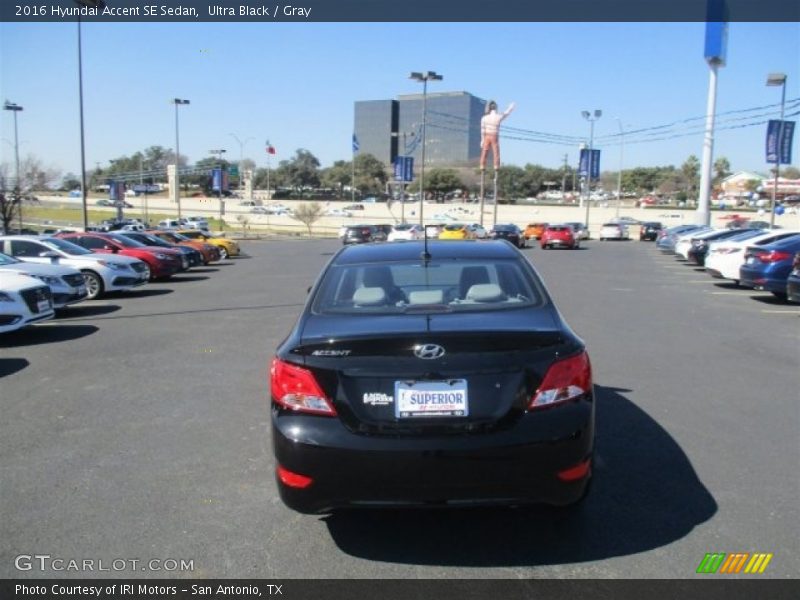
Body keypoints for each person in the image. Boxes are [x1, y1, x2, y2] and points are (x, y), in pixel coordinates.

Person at [480, 100, 515, 171]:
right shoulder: (498, 116)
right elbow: (506, 113)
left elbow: (482, 130)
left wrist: (482, 140)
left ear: (489, 108)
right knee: (496, 151)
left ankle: (482, 165)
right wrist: (510, 108)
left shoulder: (484, 118)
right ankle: (496, 166)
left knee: (485, 151)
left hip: (487, 135)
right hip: (494, 135)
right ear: (496, 108)